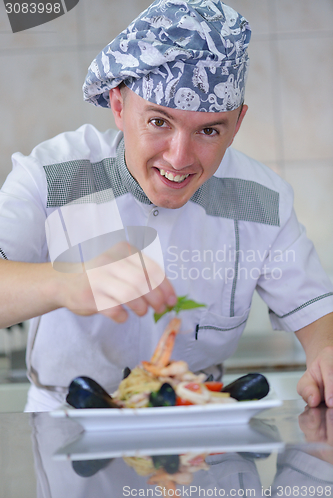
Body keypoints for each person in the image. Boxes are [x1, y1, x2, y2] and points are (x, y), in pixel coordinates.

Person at [0, 0, 332, 412]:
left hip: (200, 428)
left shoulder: (262, 198)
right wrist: (62, 283)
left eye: (209, 130)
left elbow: (317, 314)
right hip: (69, 431)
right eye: (159, 122)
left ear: (237, 125)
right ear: (119, 107)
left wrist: (326, 353)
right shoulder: (50, 175)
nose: (179, 158)